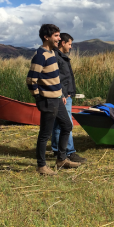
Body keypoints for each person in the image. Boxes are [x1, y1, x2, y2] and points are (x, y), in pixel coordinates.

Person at [26, 24, 81, 175]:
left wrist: (61, 95)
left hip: (57, 99)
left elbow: (55, 79)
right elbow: (31, 80)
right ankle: (41, 166)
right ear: (46, 37)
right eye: (56, 36)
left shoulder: (51, 54)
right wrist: (38, 97)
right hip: (48, 101)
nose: (59, 39)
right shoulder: (40, 55)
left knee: (67, 126)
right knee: (45, 133)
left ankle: (61, 160)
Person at [51, 33, 86, 163]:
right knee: (66, 124)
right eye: (70, 44)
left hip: (64, 95)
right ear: (63, 43)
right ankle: (69, 152)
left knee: (57, 124)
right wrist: (63, 94)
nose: (70, 47)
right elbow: (57, 78)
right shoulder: (56, 57)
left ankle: (57, 150)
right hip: (63, 96)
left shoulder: (61, 57)